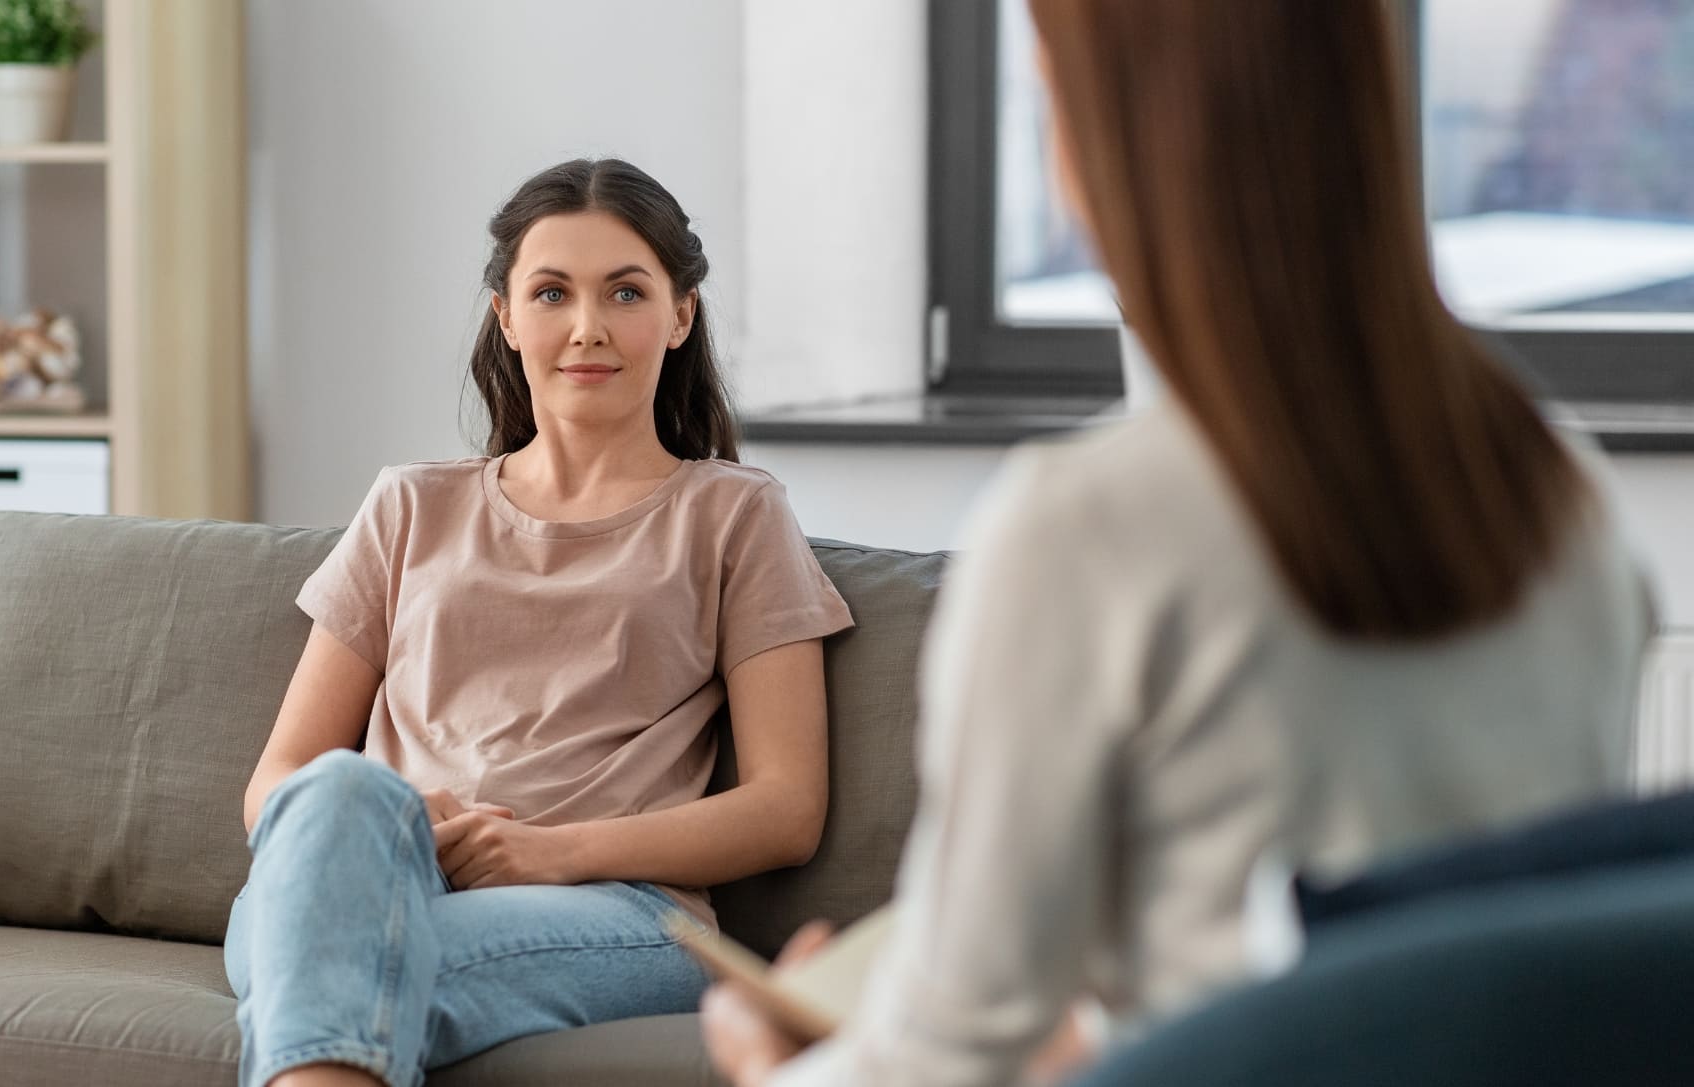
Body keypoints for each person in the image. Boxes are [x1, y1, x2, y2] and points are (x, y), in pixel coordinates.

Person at [700, 1, 1656, 1084]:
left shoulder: (1088, 527)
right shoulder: (1561, 483)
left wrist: (764, 1063)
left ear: (1106, 126)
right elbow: (1441, 972)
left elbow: (947, 1053)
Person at [225, 157, 855, 1087]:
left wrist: (551, 851)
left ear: (680, 314)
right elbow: (274, 786)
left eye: (626, 292)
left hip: (615, 909)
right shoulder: (408, 505)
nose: (587, 327)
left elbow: (786, 808)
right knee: (341, 799)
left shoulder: (734, 515)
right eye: (552, 292)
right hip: (367, 873)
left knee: (335, 967)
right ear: (507, 317)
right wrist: (406, 816)